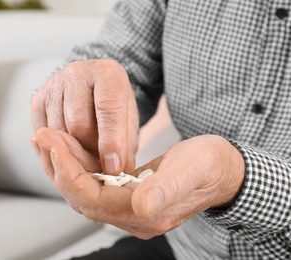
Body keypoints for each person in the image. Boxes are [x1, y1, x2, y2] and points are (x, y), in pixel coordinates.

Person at [30, 0, 291, 259]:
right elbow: (124, 55)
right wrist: (87, 99)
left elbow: (228, 173)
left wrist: (233, 177)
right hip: (185, 247)